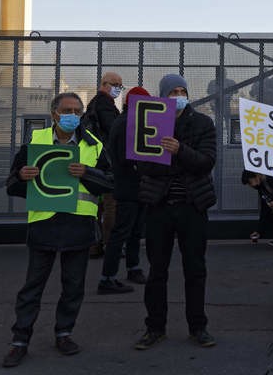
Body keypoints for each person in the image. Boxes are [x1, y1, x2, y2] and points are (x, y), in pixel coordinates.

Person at [2, 92, 114, 368]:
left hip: (79, 226)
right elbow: (11, 184)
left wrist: (87, 173)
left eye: (77, 111)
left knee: (73, 286)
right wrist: (21, 176)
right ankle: (20, 340)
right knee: (32, 288)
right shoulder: (35, 142)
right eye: (67, 110)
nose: (73, 116)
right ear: (54, 114)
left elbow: (111, 184)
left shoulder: (94, 145)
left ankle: (64, 333)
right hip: (44, 225)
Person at [135, 74, 217, 350]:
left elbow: (206, 162)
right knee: (157, 271)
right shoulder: (149, 123)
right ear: (163, 96)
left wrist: (179, 150)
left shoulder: (204, 123)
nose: (178, 96)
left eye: (182, 90)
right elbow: (144, 167)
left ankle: (198, 327)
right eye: (173, 92)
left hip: (193, 207)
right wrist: (180, 159)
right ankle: (154, 327)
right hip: (159, 208)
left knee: (195, 269)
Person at [97, 86, 151, 294]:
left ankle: (132, 268)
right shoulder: (129, 124)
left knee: (133, 231)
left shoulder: (127, 121)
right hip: (130, 186)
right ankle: (107, 278)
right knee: (123, 232)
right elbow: (127, 157)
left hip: (131, 186)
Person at [83, 72, 124, 258]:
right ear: (104, 84)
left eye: (119, 85)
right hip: (108, 162)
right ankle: (110, 245)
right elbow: (113, 130)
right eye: (114, 84)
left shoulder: (94, 103)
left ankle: (94, 245)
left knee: (96, 206)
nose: (117, 88)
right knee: (111, 205)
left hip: (95, 160)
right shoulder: (105, 104)